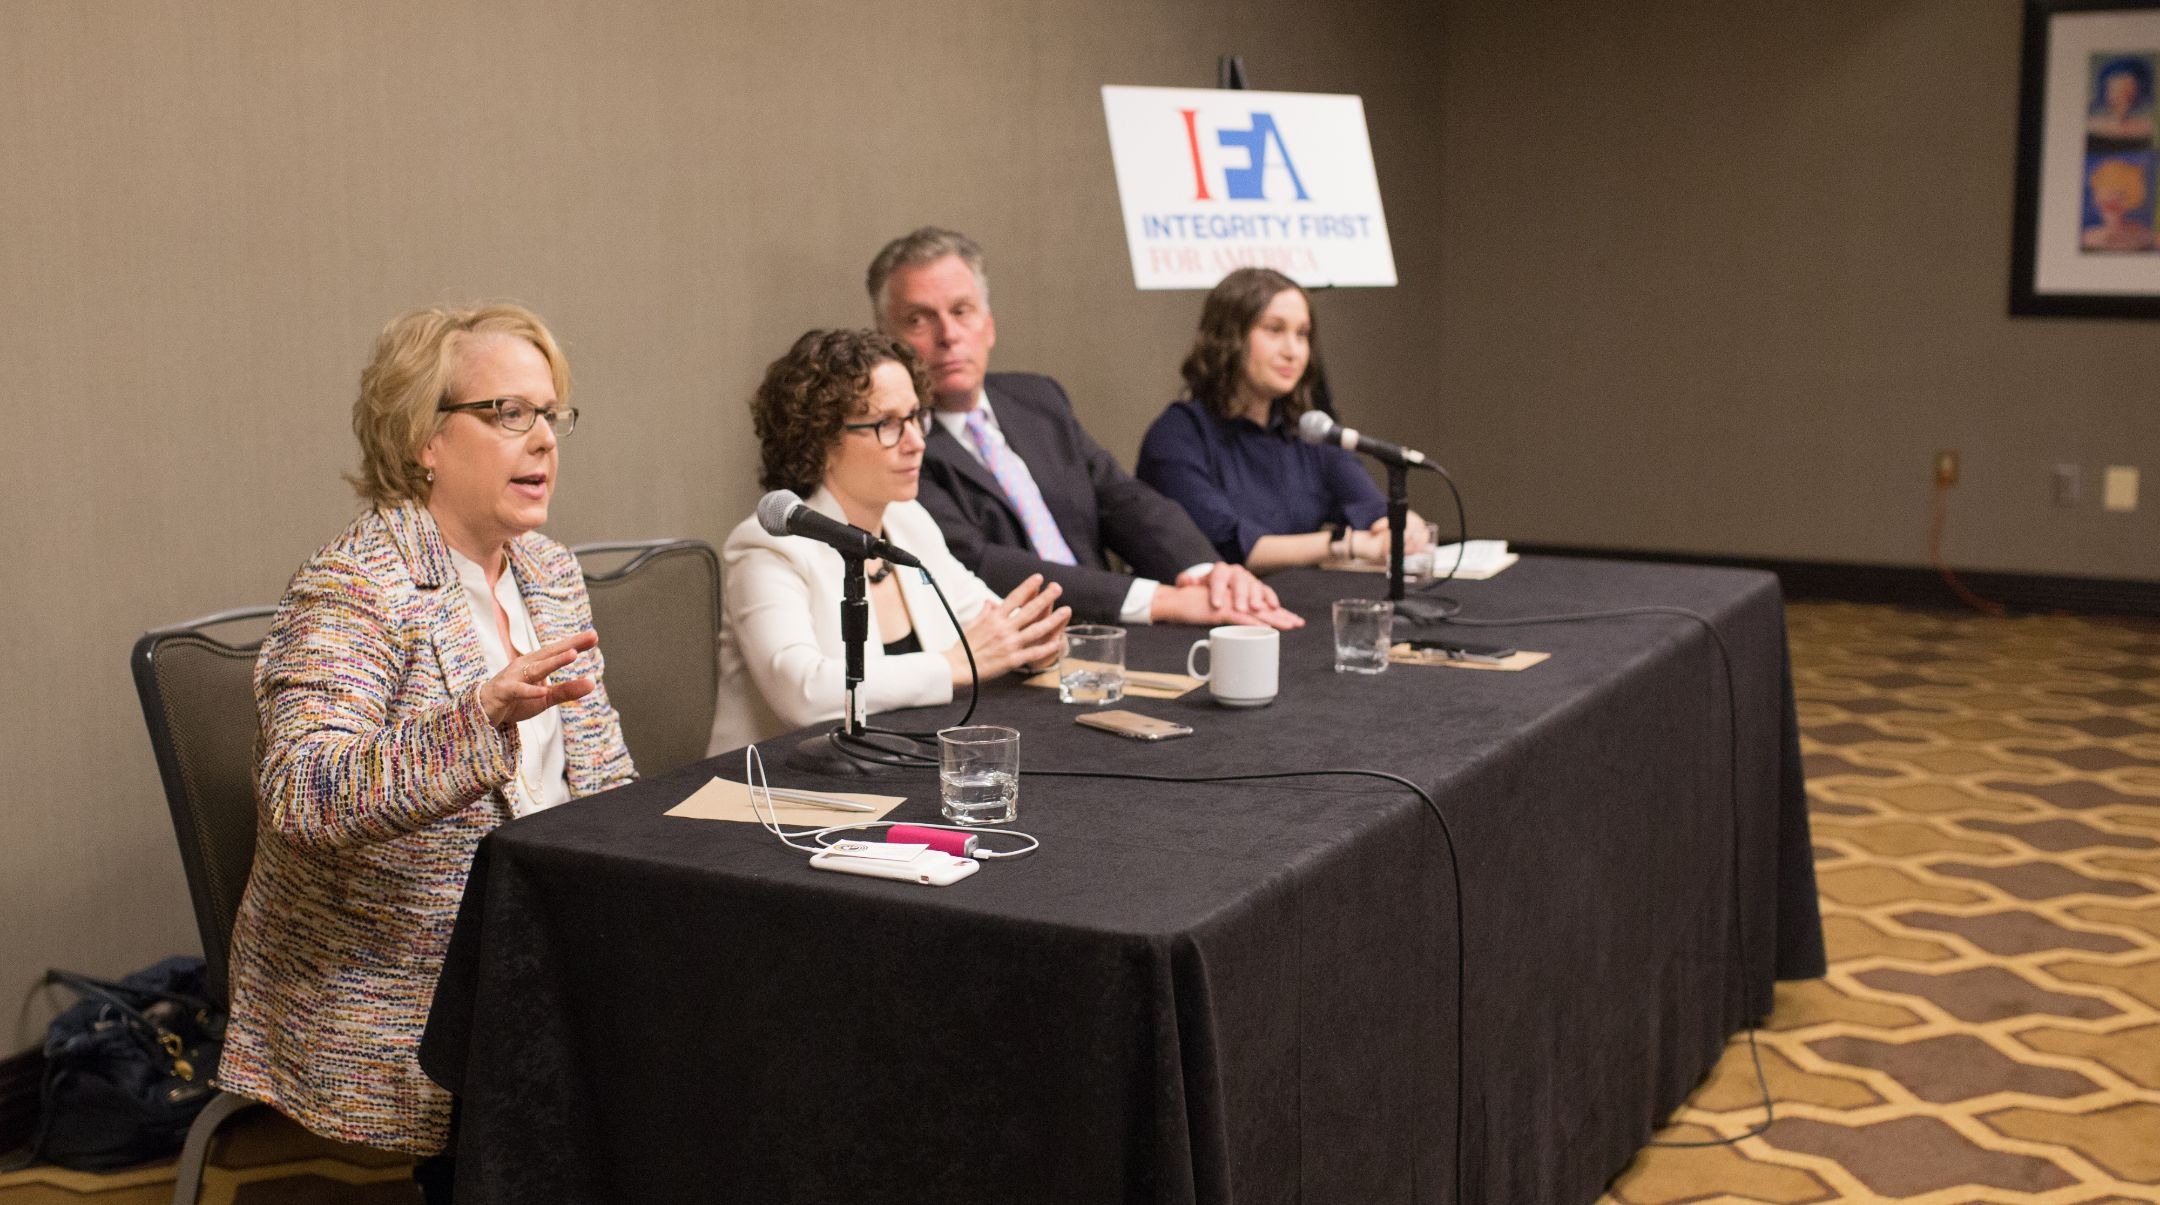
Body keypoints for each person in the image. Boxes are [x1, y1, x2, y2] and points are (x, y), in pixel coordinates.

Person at [218, 303, 634, 1200]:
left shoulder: (549, 570)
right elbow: (303, 792)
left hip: (545, 945)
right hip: (402, 982)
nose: (544, 440)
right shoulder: (356, 586)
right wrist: (475, 718)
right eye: (507, 413)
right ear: (423, 441)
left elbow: (601, 776)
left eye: (551, 414)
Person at [866, 227, 1301, 629]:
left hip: (1109, 633)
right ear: (886, 339)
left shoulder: (1038, 399)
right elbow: (977, 562)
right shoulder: (892, 443)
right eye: (919, 320)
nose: (948, 335)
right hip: (1012, 654)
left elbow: (1123, 499)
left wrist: (1208, 575)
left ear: (989, 326)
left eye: (962, 311)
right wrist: (1158, 600)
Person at [708, 328, 1071, 753]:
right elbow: (802, 693)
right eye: (887, 424)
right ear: (820, 437)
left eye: (916, 417)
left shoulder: (906, 520)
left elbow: (987, 622)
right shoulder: (766, 547)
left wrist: (1029, 644)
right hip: (775, 790)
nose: (917, 442)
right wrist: (951, 666)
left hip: (898, 766)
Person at [1136, 267, 1432, 573]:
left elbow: (1370, 507)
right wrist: (1341, 543)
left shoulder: (1307, 432)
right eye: (1274, 330)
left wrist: (1401, 525)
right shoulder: (1177, 436)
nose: (1293, 351)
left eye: (1302, 335)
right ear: (1228, 338)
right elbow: (1229, 545)